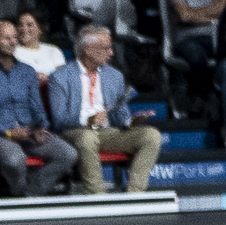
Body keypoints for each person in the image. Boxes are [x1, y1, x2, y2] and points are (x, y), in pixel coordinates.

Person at [46, 26, 164, 194]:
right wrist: (88, 121)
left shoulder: (114, 76)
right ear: (88, 50)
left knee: (151, 135)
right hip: (76, 132)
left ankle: (135, 194)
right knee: (87, 137)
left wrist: (131, 121)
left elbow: (119, 112)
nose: (111, 53)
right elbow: (59, 119)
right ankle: (97, 196)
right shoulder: (60, 77)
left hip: (107, 132)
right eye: (106, 48)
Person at [0, 18, 76, 197]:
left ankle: (29, 195)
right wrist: (9, 132)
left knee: (68, 154)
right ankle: (19, 193)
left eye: (14, 37)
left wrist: (41, 126)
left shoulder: (27, 71)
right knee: (15, 160)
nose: (12, 42)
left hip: (30, 130)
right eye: (6, 38)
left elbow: (38, 107)